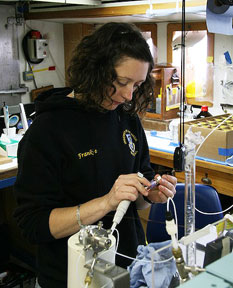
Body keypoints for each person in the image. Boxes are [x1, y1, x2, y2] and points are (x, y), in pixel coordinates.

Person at [14, 22, 177, 288]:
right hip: (70, 277)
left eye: (136, 85)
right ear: (95, 70)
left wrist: (150, 194)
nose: (127, 95)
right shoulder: (48, 131)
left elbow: (138, 196)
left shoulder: (127, 120)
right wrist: (106, 202)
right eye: (121, 82)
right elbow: (33, 224)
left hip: (127, 270)